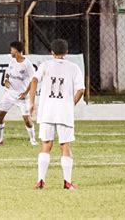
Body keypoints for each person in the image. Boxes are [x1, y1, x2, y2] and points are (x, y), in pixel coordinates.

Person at [29, 39, 85, 190]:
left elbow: (34, 80)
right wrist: (70, 104)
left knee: (46, 144)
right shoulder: (74, 68)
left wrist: (31, 102)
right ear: (67, 52)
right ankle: (67, 182)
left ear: (51, 52)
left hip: (47, 110)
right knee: (65, 145)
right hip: (64, 112)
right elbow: (81, 90)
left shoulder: (45, 65)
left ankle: (40, 180)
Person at [0, 41, 37, 146]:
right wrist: (6, 80)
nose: (10, 51)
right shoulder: (12, 61)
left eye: (12, 49)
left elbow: (33, 80)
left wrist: (25, 93)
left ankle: (33, 140)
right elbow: (7, 73)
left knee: (27, 119)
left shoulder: (27, 64)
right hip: (9, 94)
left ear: (16, 50)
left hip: (22, 96)